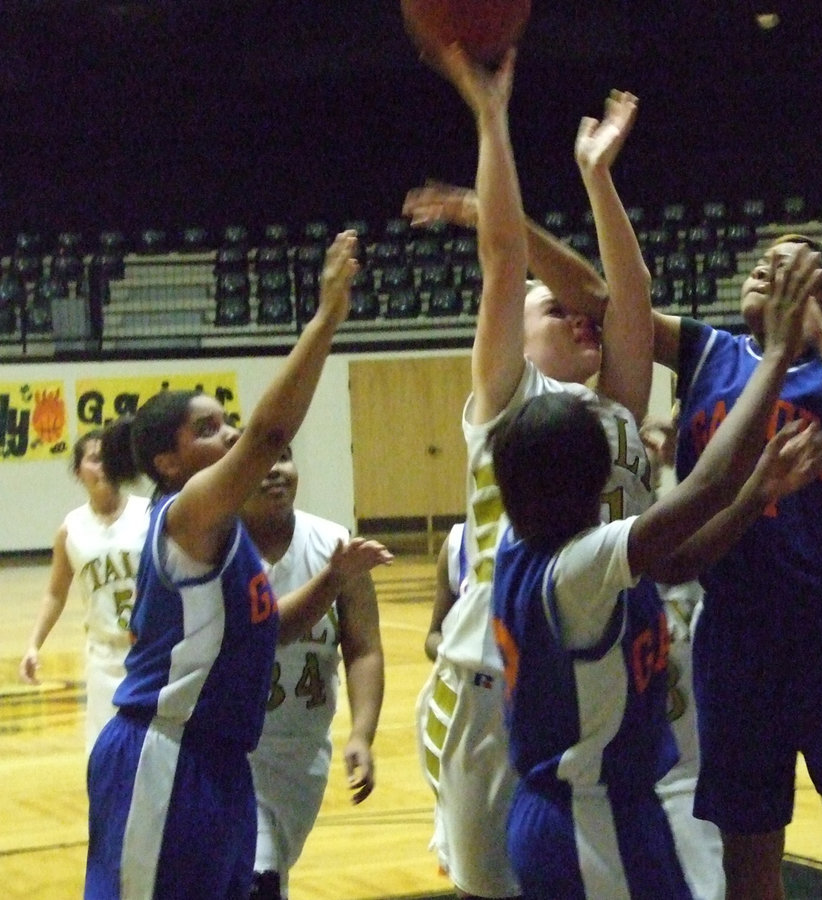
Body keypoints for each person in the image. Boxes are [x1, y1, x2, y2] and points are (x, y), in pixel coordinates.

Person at [488, 238, 822, 898]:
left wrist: (757, 494)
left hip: (608, 805)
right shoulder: (579, 565)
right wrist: (779, 354)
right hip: (587, 818)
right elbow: (704, 486)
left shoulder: (529, 538)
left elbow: (680, 561)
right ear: (588, 481)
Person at [407, 45, 659, 900]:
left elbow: (624, 298)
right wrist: (491, 119)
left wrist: (597, 178)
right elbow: (507, 257)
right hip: (495, 682)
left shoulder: (617, 405)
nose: (581, 319)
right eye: (558, 312)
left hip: (607, 676)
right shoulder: (511, 396)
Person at [84, 231, 391, 899]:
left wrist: (332, 583)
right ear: (168, 462)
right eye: (207, 429)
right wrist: (327, 315)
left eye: (227, 423)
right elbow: (269, 434)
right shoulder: (185, 511)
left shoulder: (229, 537)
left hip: (220, 763)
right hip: (162, 753)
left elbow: (268, 627)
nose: (228, 435)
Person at [652, 234, 822, 899]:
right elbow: (609, 303)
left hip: (818, 634)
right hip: (729, 634)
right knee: (747, 861)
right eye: (759, 260)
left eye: (784, 266)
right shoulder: (710, 352)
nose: (759, 267)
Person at [241, 444, 387, 900]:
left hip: (303, 754)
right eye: (259, 465)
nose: (274, 473)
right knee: (255, 871)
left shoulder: (332, 542)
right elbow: (271, 631)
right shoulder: (220, 548)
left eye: (282, 458)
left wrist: (362, 733)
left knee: (271, 872)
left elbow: (363, 648)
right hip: (234, 751)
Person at [18, 429, 150, 753]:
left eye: (109, 457)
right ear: (79, 472)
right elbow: (55, 593)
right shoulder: (71, 529)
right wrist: (34, 644)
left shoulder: (151, 514)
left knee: (154, 752)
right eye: (93, 458)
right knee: (105, 753)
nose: (103, 465)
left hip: (151, 652)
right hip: (103, 656)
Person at [425, 521, 466, 663]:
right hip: (467, 681)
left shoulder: (534, 545)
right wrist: (456, 654)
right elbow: (433, 637)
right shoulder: (458, 541)